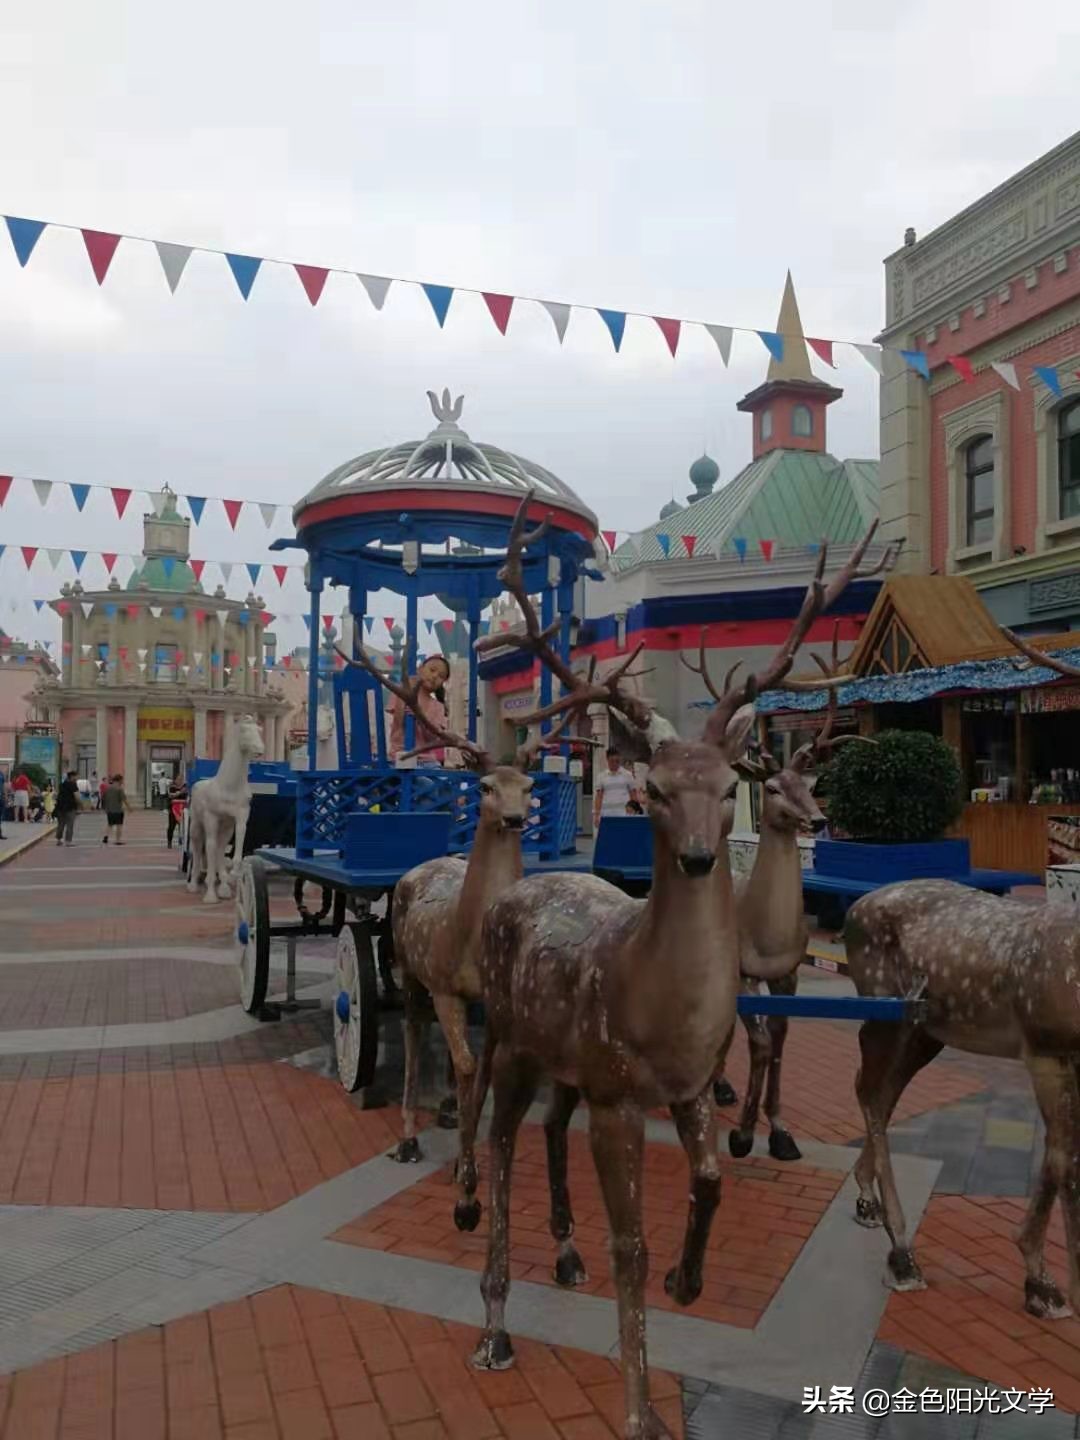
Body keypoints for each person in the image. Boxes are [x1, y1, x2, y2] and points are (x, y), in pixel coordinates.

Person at [388, 655, 451, 764]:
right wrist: (408, 689)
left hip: (425, 760)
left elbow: (432, 738)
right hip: (399, 756)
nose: (435, 676)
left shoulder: (438, 706)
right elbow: (399, 720)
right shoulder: (401, 691)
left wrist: (420, 716)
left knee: (428, 780)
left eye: (441, 676)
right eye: (432, 670)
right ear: (420, 669)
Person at [593, 747, 640, 830]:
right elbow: (599, 797)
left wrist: (636, 814)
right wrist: (597, 815)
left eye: (617, 761)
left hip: (624, 815)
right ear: (607, 760)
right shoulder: (601, 777)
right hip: (607, 816)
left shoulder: (627, 775)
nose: (615, 763)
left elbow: (633, 794)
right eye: (612, 761)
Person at [101, 773, 130, 845]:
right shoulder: (119, 789)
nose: (122, 782)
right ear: (119, 780)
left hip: (109, 809)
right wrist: (129, 808)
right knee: (119, 825)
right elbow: (124, 799)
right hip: (118, 810)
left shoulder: (107, 788)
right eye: (122, 780)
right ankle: (118, 840)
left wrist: (105, 808)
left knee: (110, 824)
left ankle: (106, 836)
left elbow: (103, 798)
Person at [55, 770, 81, 846]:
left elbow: (59, 795)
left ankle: (58, 840)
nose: (77, 778)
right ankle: (68, 841)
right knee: (70, 824)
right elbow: (77, 796)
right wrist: (81, 805)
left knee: (61, 824)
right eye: (76, 776)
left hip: (60, 807)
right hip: (70, 807)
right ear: (72, 776)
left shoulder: (62, 785)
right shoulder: (73, 785)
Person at [166, 773, 187, 849]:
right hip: (173, 809)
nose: (180, 780)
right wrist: (180, 792)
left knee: (183, 827)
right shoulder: (172, 786)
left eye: (181, 779)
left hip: (183, 810)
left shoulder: (186, 787)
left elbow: (187, 797)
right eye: (178, 779)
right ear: (175, 779)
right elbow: (170, 796)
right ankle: (169, 842)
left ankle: (181, 840)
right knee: (171, 826)